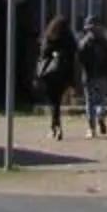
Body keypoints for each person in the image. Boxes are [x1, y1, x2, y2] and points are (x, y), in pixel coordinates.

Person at [34, 12, 77, 141]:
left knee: (54, 103)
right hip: (64, 75)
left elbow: (43, 55)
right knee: (57, 101)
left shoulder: (50, 37)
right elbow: (73, 56)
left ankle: (55, 126)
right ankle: (56, 126)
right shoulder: (70, 40)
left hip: (51, 75)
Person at [77, 10, 107, 138]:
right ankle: (100, 114)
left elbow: (80, 60)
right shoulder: (104, 42)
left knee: (90, 102)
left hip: (89, 76)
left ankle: (92, 129)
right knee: (101, 99)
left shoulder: (84, 43)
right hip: (102, 75)